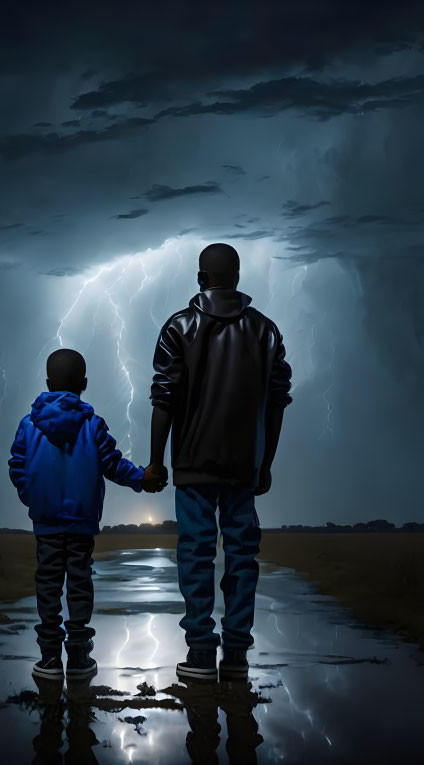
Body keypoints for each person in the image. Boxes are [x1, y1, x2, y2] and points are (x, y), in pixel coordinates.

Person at [145, 242, 293, 683]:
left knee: (195, 554)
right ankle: (237, 657)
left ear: (200, 278)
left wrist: (156, 461)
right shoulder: (266, 330)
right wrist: (265, 462)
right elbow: (277, 403)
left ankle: (200, 654)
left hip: (192, 464)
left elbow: (164, 398)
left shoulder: (178, 326)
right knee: (243, 556)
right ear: (238, 276)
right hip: (244, 466)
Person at [10, 348, 166, 682]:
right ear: (84, 383)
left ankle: (49, 657)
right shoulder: (93, 425)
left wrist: (33, 498)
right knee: (79, 582)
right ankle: (79, 657)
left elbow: (17, 467)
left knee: (48, 584)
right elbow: (113, 465)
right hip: (82, 522)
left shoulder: (28, 425)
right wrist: (144, 478)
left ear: (48, 382)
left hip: (46, 522)